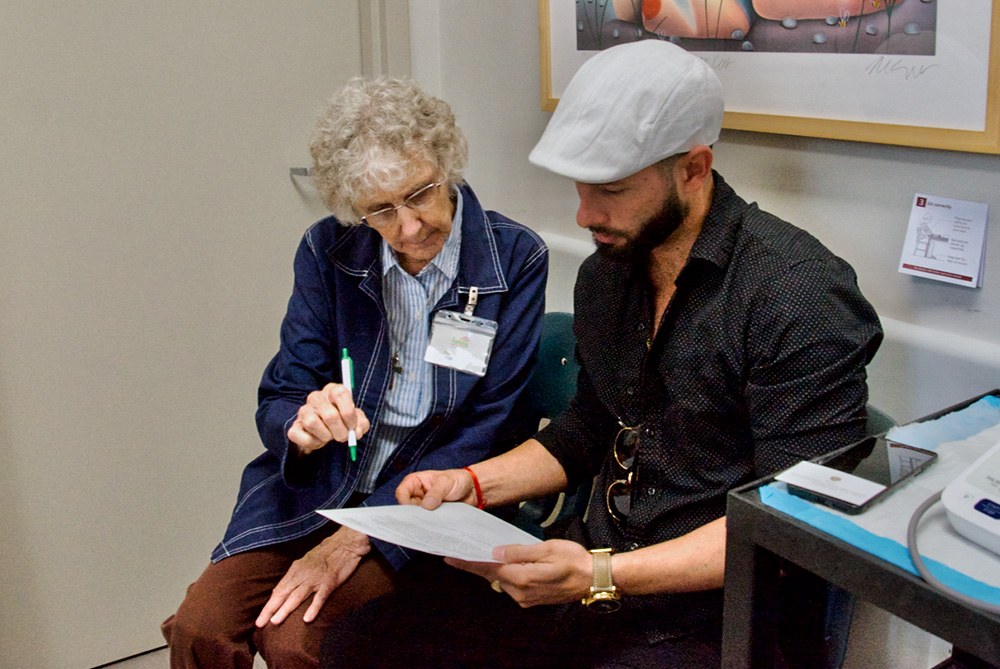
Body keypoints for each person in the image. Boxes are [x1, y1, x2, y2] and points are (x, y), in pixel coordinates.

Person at [319, 40, 883, 668]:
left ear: (693, 168)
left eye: (612, 189)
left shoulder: (798, 295)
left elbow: (790, 527)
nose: (586, 214)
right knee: (359, 644)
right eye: (582, 187)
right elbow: (589, 429)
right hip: (591, 582)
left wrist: (600, 574)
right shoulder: (609, 274)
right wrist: (472, 484)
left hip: (715, 622)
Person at [161, 76, 548, 668]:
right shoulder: (329, 251)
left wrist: (363, 531)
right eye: (380, 211)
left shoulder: (514, 258)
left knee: (295, 642)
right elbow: (283, 392)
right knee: (200, 629)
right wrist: (301, 424)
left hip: (431, 498)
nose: (409, 228)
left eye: (420, 194)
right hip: (320, 486)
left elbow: (491, 426)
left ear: (449, 165)